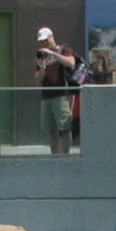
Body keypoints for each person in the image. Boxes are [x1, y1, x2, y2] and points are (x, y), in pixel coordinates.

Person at [36, 26, 77, 155]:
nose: (44, 44)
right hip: (47, 96)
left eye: (46, 40)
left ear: (52, 37)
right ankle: (54, 157)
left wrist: (54, 54)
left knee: (64, 128)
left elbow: (71, 63)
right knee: (51, 130)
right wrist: (41, 68)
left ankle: (65, 156)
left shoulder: (63, 49)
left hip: (62, 95)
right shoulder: (41, 56)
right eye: (41, 42)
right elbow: (37, 79)